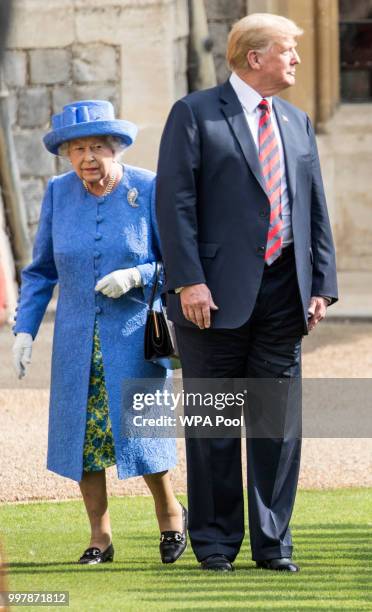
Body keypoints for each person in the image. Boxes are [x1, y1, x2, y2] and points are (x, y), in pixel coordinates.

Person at [156, 13, 338, 572]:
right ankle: (214, 545)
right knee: (213, 429)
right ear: (254, 57)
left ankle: (273, 545)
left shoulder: (297, 121)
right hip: (209, 299)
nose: (297, 61)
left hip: (286, 295)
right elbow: (175, 204)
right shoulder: (194, 113)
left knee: (277, 429)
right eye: (288, 51)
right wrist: (188, 279)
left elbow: (313, 205)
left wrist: (321, 286)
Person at [12, 100, 187, 565]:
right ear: (67, 156)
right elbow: (40, 270)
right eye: (77, 149)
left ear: (116, 149)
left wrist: (135, 276)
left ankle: (170, 515)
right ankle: (100, 537)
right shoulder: (58, 193)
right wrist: (24, 330)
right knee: (81, 439)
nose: (88, 158)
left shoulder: (147, 187)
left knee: (143, 431)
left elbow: (177, 262)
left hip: (134, 333)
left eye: (97, 147)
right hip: (75, 339)